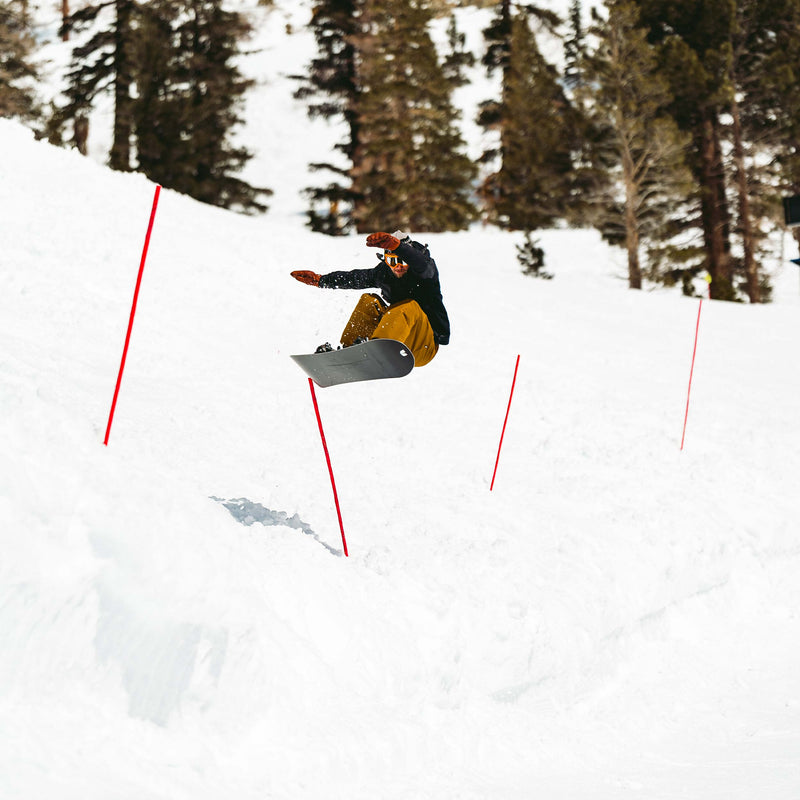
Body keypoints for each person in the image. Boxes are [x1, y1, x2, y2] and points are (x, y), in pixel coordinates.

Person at [290, 231, 450, 367]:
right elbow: (354, 278)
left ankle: (381, 349)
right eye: (392, 261)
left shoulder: (425, 271)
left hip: (424, 345)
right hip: (400, 338)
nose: (397, 266)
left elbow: (419, 262)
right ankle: (351, 350)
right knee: (369, 300)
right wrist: (321, 280)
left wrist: (398, 247)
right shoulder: (384, 273)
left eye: (402, 260)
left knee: (408, 306)